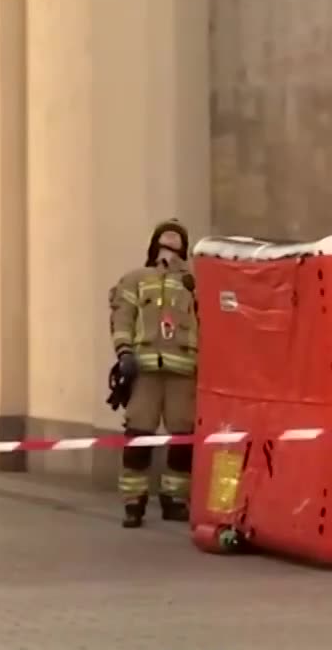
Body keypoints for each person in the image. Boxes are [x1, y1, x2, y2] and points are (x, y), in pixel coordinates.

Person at [110, 218, 198, 528]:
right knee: (138, 436)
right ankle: (134, 502)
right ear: (154, 246)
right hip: (145, 370)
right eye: (166, 240)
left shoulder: (193, 283)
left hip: (183, 371)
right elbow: (122, 318)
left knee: (184, 438)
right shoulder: (136, 279)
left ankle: (174, 499)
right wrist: (124, 353)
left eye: (177, 241)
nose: (171, 246)